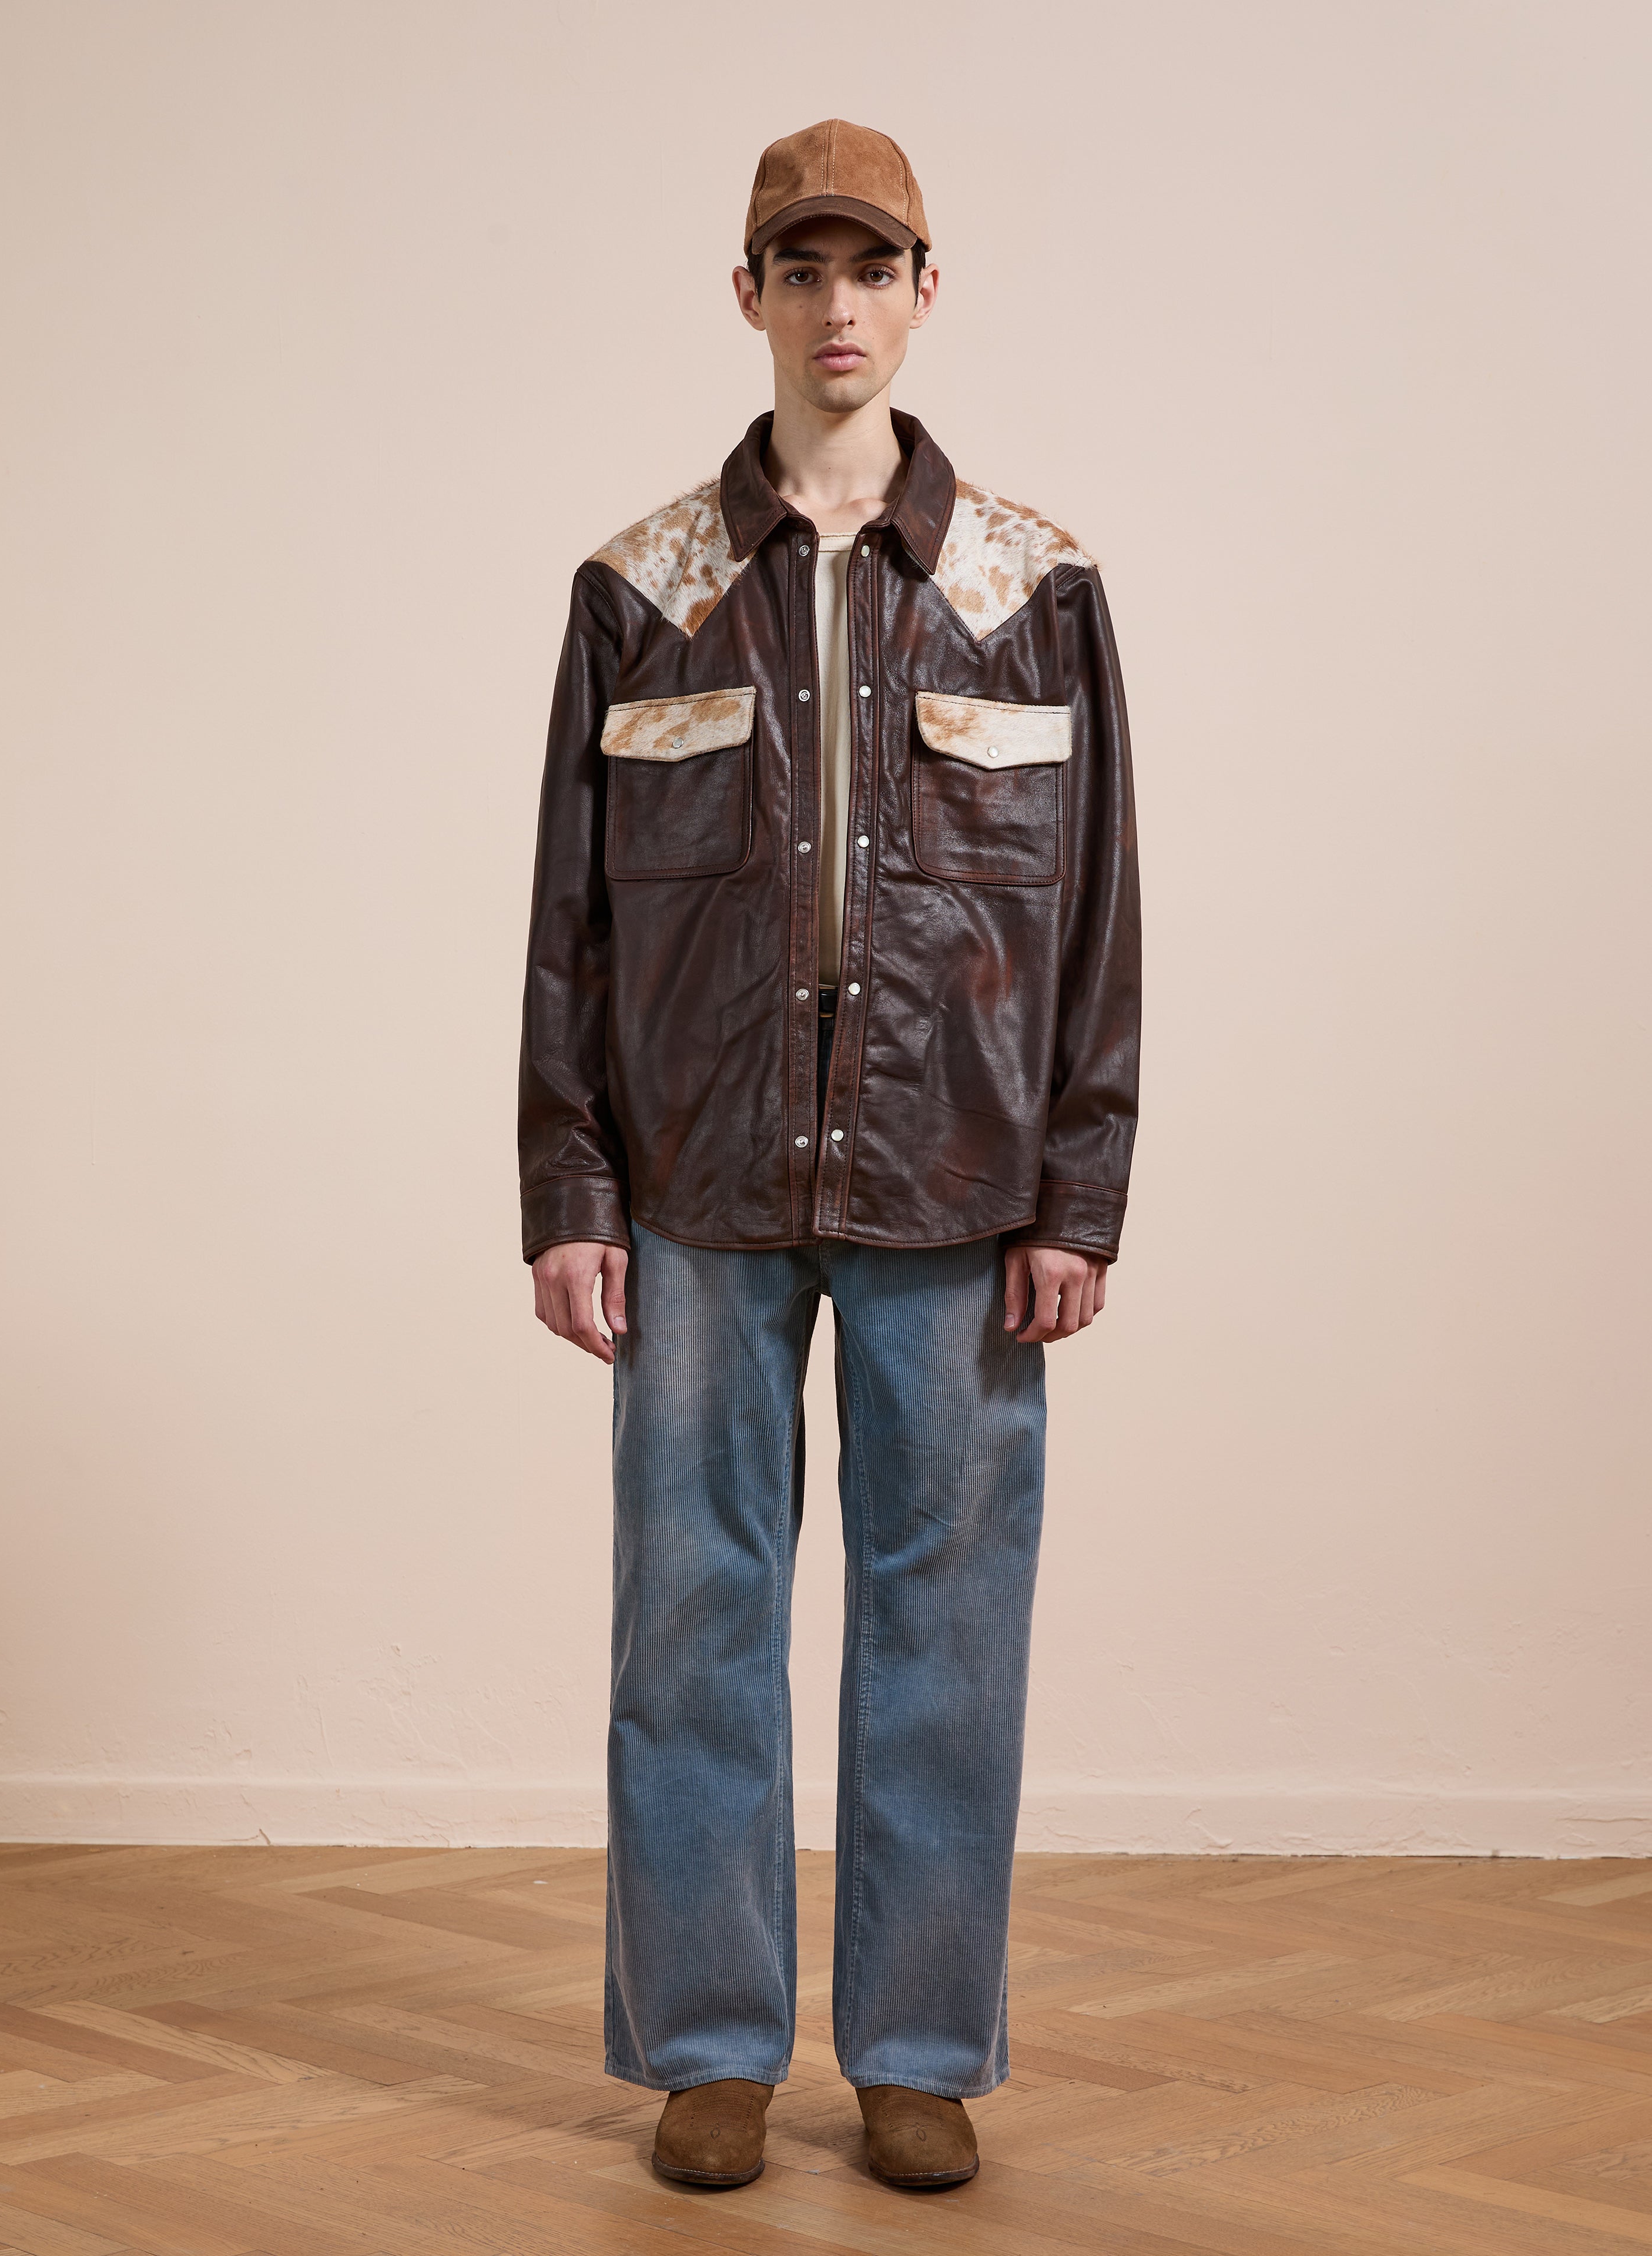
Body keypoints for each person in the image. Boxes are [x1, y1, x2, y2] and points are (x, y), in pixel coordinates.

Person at [519, 117, 1140, 2192]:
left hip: (958, 1200)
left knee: (945, 1624)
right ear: (751, 296)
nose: (840, 304)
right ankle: (706, 2044)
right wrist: (567, 1191)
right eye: (804, 268)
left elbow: (1102, 918)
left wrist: (1081, 1195)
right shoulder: (643, 591)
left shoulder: (1030, 588)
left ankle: (916, 2050)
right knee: (690, 1617)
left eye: (875, 268)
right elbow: (569, 924)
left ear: (927, 291)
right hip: (695, 1193)